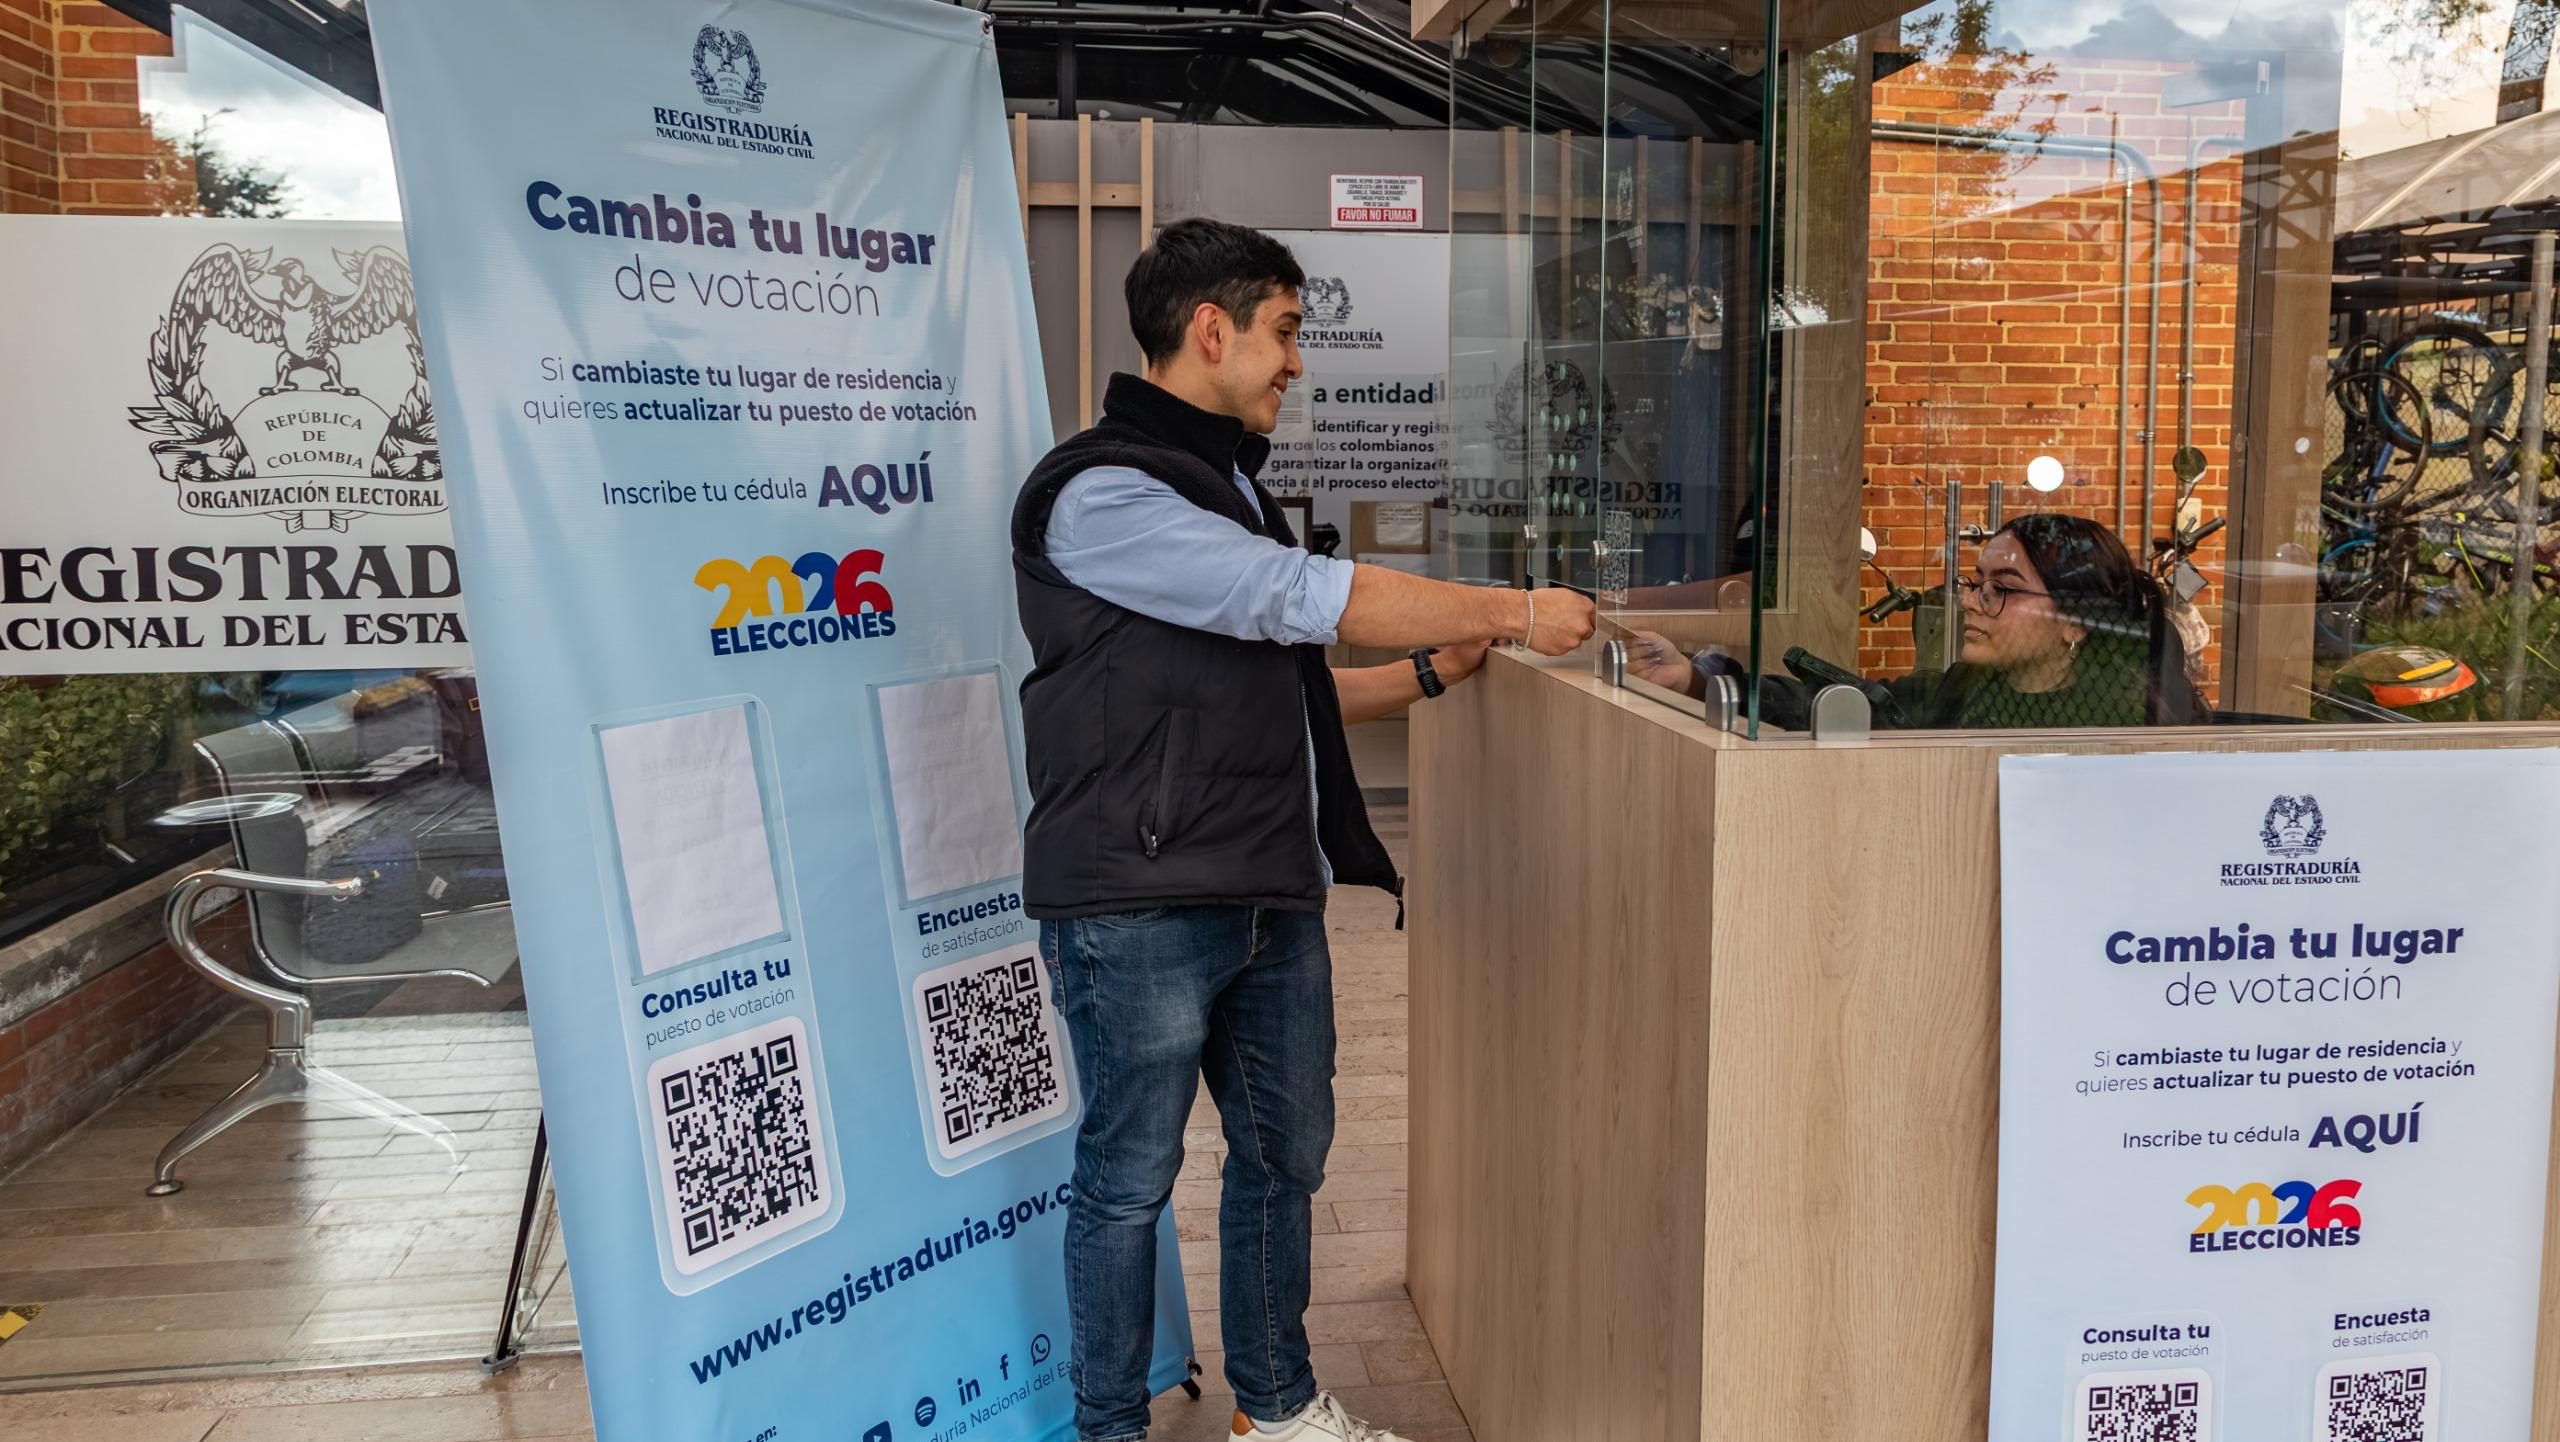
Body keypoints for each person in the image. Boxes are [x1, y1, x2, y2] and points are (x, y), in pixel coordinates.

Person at [1012, 217, 1596, 1442]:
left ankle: (1274, 1409)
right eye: (1282, 332)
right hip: (1138, 900)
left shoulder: (1229, 483)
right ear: (1207, 329)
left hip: (1267, 886)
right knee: (1127, 1182)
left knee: (1285, 1159)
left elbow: (1277, 682)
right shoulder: (1099, 491)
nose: (1295, 361)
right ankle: (1106, 1427)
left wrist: (1429, 671)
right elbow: (1295, 599)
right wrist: (1512, 607)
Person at [1630, 512, 2203, 728]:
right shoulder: (1972, 686)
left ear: (2076, 621)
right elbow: (1857, 707)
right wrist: (1697, 680)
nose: (1973, 603)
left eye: (2003, 591)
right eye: (1975, 584)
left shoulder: (2126, 719)